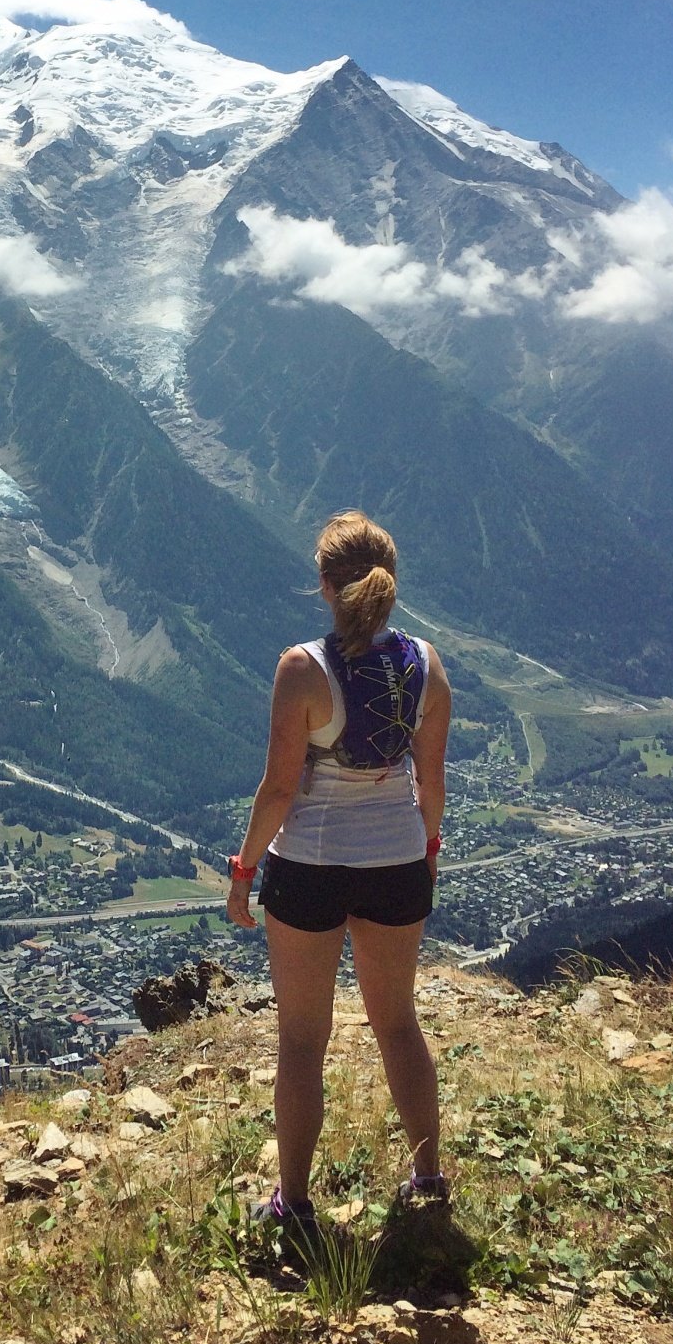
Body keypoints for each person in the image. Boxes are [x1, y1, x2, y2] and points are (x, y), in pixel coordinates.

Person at [225, 509, 452, 1236]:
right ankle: (428, 1180)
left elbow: (280, 789)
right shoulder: (427, 662)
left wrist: (243, 870)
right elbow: (433, 778)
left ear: (324, 585)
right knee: (398, 1025)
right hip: (396, 862)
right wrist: (429, 848)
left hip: (311, 869)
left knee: (301, 1039)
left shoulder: (304, 668)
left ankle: (293, 1203)